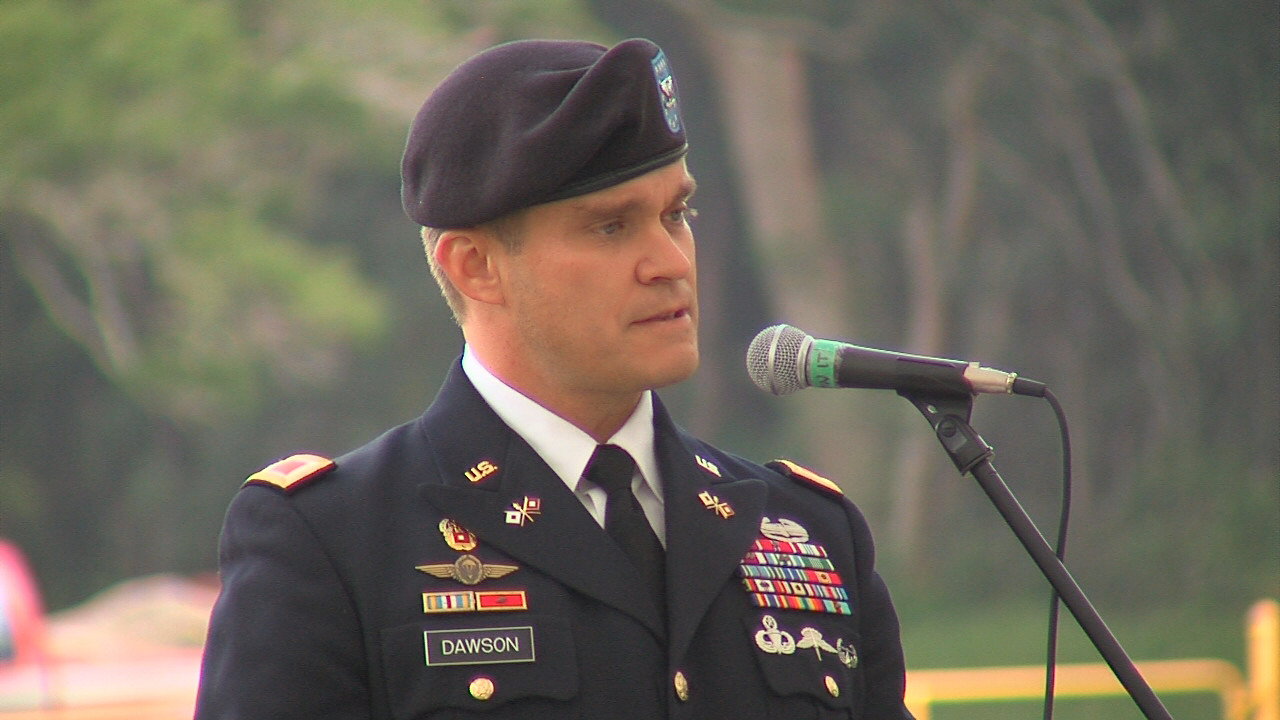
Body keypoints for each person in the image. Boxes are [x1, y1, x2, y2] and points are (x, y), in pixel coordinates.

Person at [195, 37, 913, 719]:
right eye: (611, 227)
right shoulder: (334, 541)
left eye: (676, 213)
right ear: (474, 266)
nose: (669, 261)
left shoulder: (806, 532)